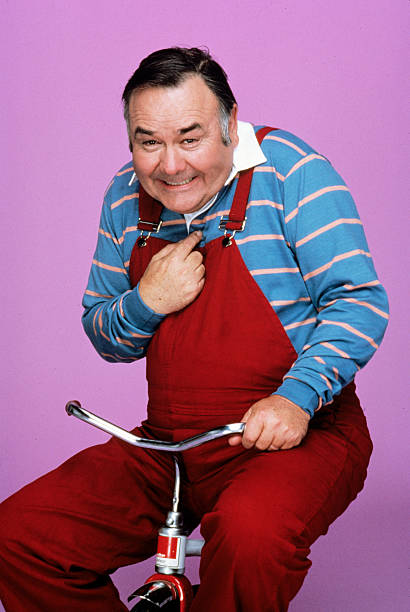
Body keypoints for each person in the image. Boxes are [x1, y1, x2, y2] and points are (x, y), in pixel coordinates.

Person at [0, 47, 389, 611]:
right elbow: (106, 336)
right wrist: (147, 302)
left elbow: (358, 303)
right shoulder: (124, 197)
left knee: (251, 538)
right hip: (170, 445)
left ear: (230, 124)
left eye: (190, 138)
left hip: (298, 435)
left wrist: (295, 399)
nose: (170, 166)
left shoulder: (292, 171)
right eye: (148, 142)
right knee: (19, 537)